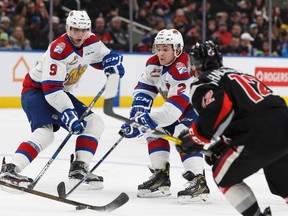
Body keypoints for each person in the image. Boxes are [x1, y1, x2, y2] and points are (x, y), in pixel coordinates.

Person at [0, 10, 125, 189]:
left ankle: (79, 168)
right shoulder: (58, 49)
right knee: (46, 133)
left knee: (94, 122)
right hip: (37, 91)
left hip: (59, 92)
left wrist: (112, 64)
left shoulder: (92, 42)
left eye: (84, 30)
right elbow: (51, 89)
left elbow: (104, 57)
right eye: (75, 30)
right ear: (67, 28)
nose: (80, 34)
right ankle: (9, 170)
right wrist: (69, 113)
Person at [176, 40, 288, 215]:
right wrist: (224, 143)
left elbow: (220, 109)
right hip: (283, 121)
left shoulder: (204, 82)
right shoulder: (238, 73)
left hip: (259, 132)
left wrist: (196, 137)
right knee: (284, 184)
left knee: (223, 176)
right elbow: (247, 109)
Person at [120, 29, 210, 203]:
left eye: (165, 49)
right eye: (158, 48)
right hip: (180, 109)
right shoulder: (153, 64)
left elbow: (171, 114)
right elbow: (144, 88)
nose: (160, 53)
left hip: (200, 111)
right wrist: (138, 111)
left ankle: (199, 182)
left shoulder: (184, 67)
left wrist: (142, 122)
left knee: (183, 133)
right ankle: (161, 177)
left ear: (177, 50)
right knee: (154, 131)